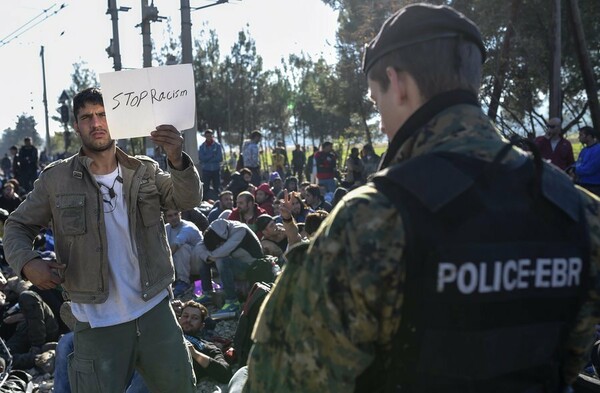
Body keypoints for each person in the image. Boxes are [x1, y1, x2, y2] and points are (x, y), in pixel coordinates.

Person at [242, 4, 600, 392]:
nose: (380, 121)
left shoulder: (374, 218)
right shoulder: (578, 211)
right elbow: (567, 363)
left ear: (398, 84)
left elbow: (283, 382)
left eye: (375, 100)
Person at [3, 87, 201, 392]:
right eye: (87, 117)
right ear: (76, 126)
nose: (96, 123)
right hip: (97, 323)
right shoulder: (56, 179)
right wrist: (28, 263)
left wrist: (177, 160)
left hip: (155, 313)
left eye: (103, 114)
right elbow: (16, 226)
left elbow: (187, 198)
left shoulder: (144, 171)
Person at [55, 300, 231, 393]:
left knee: (153, 360)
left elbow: (224, 372)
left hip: (163, 370)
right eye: (185, 315)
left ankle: (91, 330)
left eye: (194, 318)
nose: (188, 320)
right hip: (129, 356)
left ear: (202, 325)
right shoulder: (167, 329)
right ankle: (92, 330)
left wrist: (192, 353)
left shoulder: (205, 346)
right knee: (66, 342)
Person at [195, 219, 264, 315]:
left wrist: (209, 256)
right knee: (204, 258)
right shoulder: (215, 230)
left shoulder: (240, 230)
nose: (219, 245)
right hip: (235, 261)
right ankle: (208, 293)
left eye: (219, 244)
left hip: (251, 267)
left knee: (221, 260)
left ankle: (232, 301)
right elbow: (199, 246)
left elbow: (223, 251)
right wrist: (207, 256)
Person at [165, 209, 203, 298]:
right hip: (182, 265)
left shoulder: (188, 227)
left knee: (181, 248)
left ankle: (184, 282)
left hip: (199, 265)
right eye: (170, 216)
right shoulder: (166, 228)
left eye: (176, 214)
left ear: (180, 214)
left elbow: (175, 246)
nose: (174, 218)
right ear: (165, 218)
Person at [570, 126, 600, 196]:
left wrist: (575, 170)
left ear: (589, 136)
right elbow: (578, 164)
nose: (579, 137)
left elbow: (590, 169)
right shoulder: (584, 150)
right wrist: (570, 168)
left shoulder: (598, 150)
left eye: (581, 135)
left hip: (594, 186)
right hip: (582, 184)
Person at [198, 129, 223, 201]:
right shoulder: (202, 146)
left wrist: (207, 158)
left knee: (217, 187)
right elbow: (201, 158)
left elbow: (220, 158)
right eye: (207, 136)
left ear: (212, 136)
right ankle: (204, 200)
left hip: (216, 169)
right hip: (206, 170)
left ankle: (219, 200)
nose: (209, 137)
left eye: (210, 136)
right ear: (205, 136)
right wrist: (212, 155)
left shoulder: (217, 146)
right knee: (205, 187)